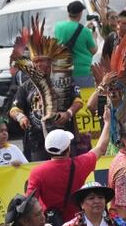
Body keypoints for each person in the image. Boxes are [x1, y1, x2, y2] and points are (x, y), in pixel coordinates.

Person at [9, 25, 82, 162]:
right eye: (35, 61)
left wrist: (68, 113)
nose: (37, 64)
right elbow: (14, 108)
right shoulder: (27, 85)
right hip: (36, 142)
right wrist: (21, 117)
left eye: (41, 61)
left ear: (50, 62)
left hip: (63, 140)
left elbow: (78, 100)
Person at [26, 119, 110, 226]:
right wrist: (107, 122)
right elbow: (101, 148)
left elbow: (30, 203)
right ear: (68, 148)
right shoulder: (80, 164)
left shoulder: (37, 172)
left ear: (47, 149)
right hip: (77, 224)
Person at [52, 1, 97, 88]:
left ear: (68, 12)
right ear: (80, 13)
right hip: (82, 71)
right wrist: (94, 37)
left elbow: (68, 34)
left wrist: (83, 28)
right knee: (86, 100)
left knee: (67, 100)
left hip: (64, 71)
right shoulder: (85, 31)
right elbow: (93, 50)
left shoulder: (58, 27)